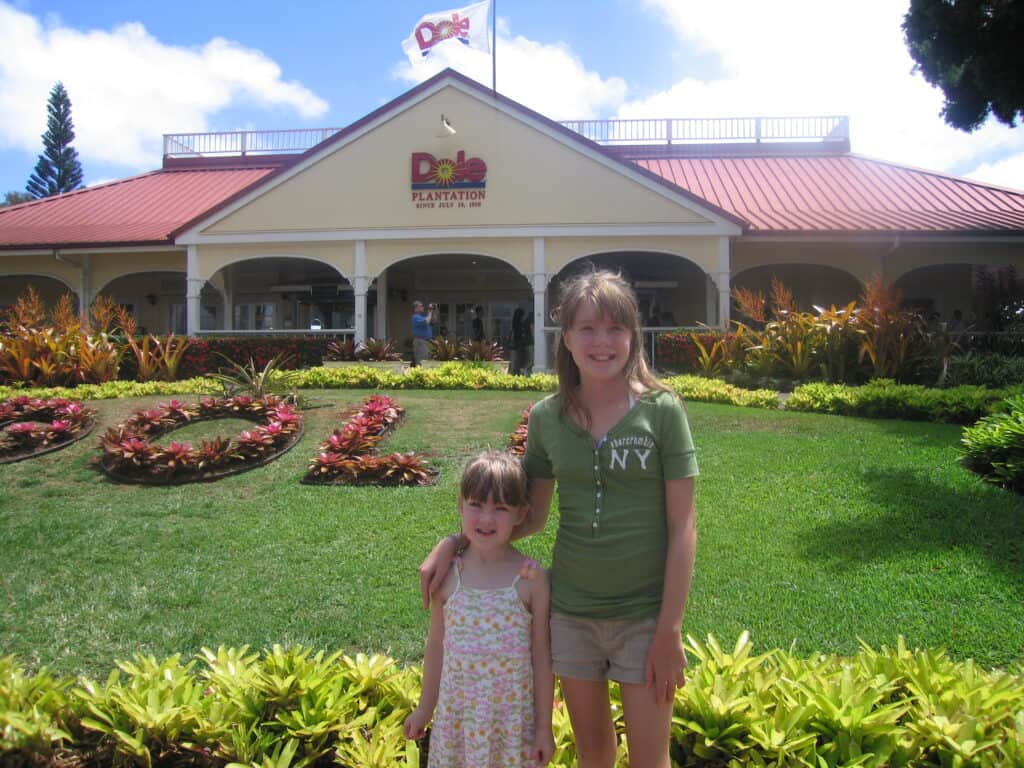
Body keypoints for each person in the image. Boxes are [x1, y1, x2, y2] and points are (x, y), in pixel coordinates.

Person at [420, 268, 698, 768]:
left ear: (633, 335)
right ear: (566, 337)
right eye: (587, 328)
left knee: (649, 759)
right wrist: (453, 543)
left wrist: (669, 630)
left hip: (644, 616)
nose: (601, 342)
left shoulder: (662, 411)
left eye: (615, 328)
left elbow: (683, 528)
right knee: (594, 752)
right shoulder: (547, 418)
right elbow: (527, 517)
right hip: (572, 614)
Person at [404, 451, 555, 768]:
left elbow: (542, 657)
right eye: (476, 505)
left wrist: (543, 728)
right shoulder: (448, 576)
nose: (486, 518)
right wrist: (425, 707)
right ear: (460, 506)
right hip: (458, 721)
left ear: (521, 514)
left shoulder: (531, 579)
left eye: (500, 508)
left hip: (513, 726)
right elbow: (436, 646)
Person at [411, 301, 435, 366]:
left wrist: (432, 311)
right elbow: (427, 321)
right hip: (420, 342)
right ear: (416, 308)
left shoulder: (423, 317)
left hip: (427, 342)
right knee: (422, 361)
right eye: (421, 306)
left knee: (427, 361)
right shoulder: (415, 317)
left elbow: (432, 321)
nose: (423, 307)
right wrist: (429, 312)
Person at [510, 307, 527, 375]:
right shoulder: (519, 324)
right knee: (519, 358)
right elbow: (520, 333)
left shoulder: (514, 322)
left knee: (517, 358)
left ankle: (516, 371)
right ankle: (517, 372)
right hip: (519, 342)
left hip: (516, 341)